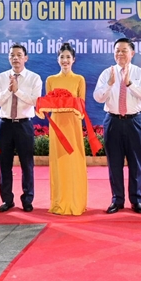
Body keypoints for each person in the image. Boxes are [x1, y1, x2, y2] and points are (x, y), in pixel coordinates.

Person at [93, 38, 141, 214]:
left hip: (134, 121)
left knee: (136, 163)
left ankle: (136, 200)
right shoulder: (107, 74)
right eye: (117, 50)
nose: (120, 54)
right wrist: (110, 84)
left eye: (124, 50)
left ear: (132, 53)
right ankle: (117, 200)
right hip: (113, 121)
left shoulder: (140, 73)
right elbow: (98, 97)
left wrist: (129, 83)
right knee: (114, 163)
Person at [0, 42, 41, 213]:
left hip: (24, 125)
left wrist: (18, 91)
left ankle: (27, 199)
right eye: (12, 55)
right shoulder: (1, 77)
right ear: (8, 58)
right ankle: (7, 199)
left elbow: (35, 101)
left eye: (19, 55)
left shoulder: (34, 78)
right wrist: (9, 90)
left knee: (27, 164)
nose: (15, 58)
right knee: (4, 164)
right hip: (5, 124)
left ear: (26, 58)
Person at [44, 42, 88, 215]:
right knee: (58, 162)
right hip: (56, 126)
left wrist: (73, 107)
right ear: (57, 59)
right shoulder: (50, 80)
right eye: (62, 57)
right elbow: (47, 104)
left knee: (73, 160)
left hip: (73, 125)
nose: (65, 60)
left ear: (74, 60)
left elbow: (82, 106)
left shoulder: (79, 79)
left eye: (68, 57)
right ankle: (59, 201)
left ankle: (75, 200)